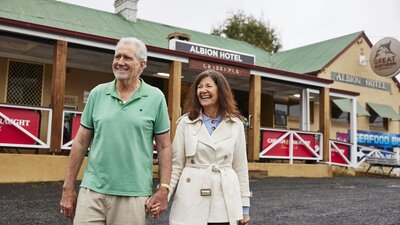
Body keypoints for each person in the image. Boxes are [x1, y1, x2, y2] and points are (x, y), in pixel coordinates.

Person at [59, 37, 172, 224]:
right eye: (117, 56)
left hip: (133, 195)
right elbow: (80, 142)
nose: (120, 62)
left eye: (127, 58)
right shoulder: (98, 93)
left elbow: (164, 147)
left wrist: (164, 188)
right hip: (92, 191)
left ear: (142, 64)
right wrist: (68, 188)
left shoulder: (156, 97)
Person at [169, 69, 251, 225]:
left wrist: (244, 206)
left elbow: (240, 167)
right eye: (199, 87)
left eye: (208, 86)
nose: (203, 91)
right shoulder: (185, 123)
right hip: (190, 197)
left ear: (220, 91)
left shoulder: (236, 124)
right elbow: (175, 165)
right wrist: (164, 195)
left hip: (224, 198)